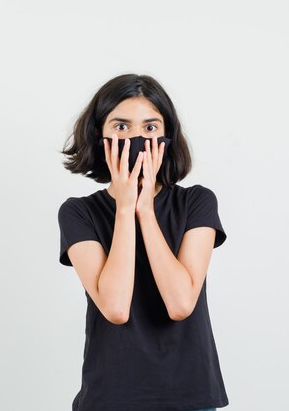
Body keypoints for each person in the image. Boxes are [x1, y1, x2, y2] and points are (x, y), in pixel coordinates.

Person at [57, 73, 228, 411]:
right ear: (99, 135)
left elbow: (180, 303)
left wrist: (145, 211)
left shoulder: (197, 203)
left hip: (191, 397)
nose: (137, 138)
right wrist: (124, 208)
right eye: (121, 127)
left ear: (167, 136)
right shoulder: (79, 213)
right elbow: (116, 308)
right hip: (111, 399)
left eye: (150, 128)